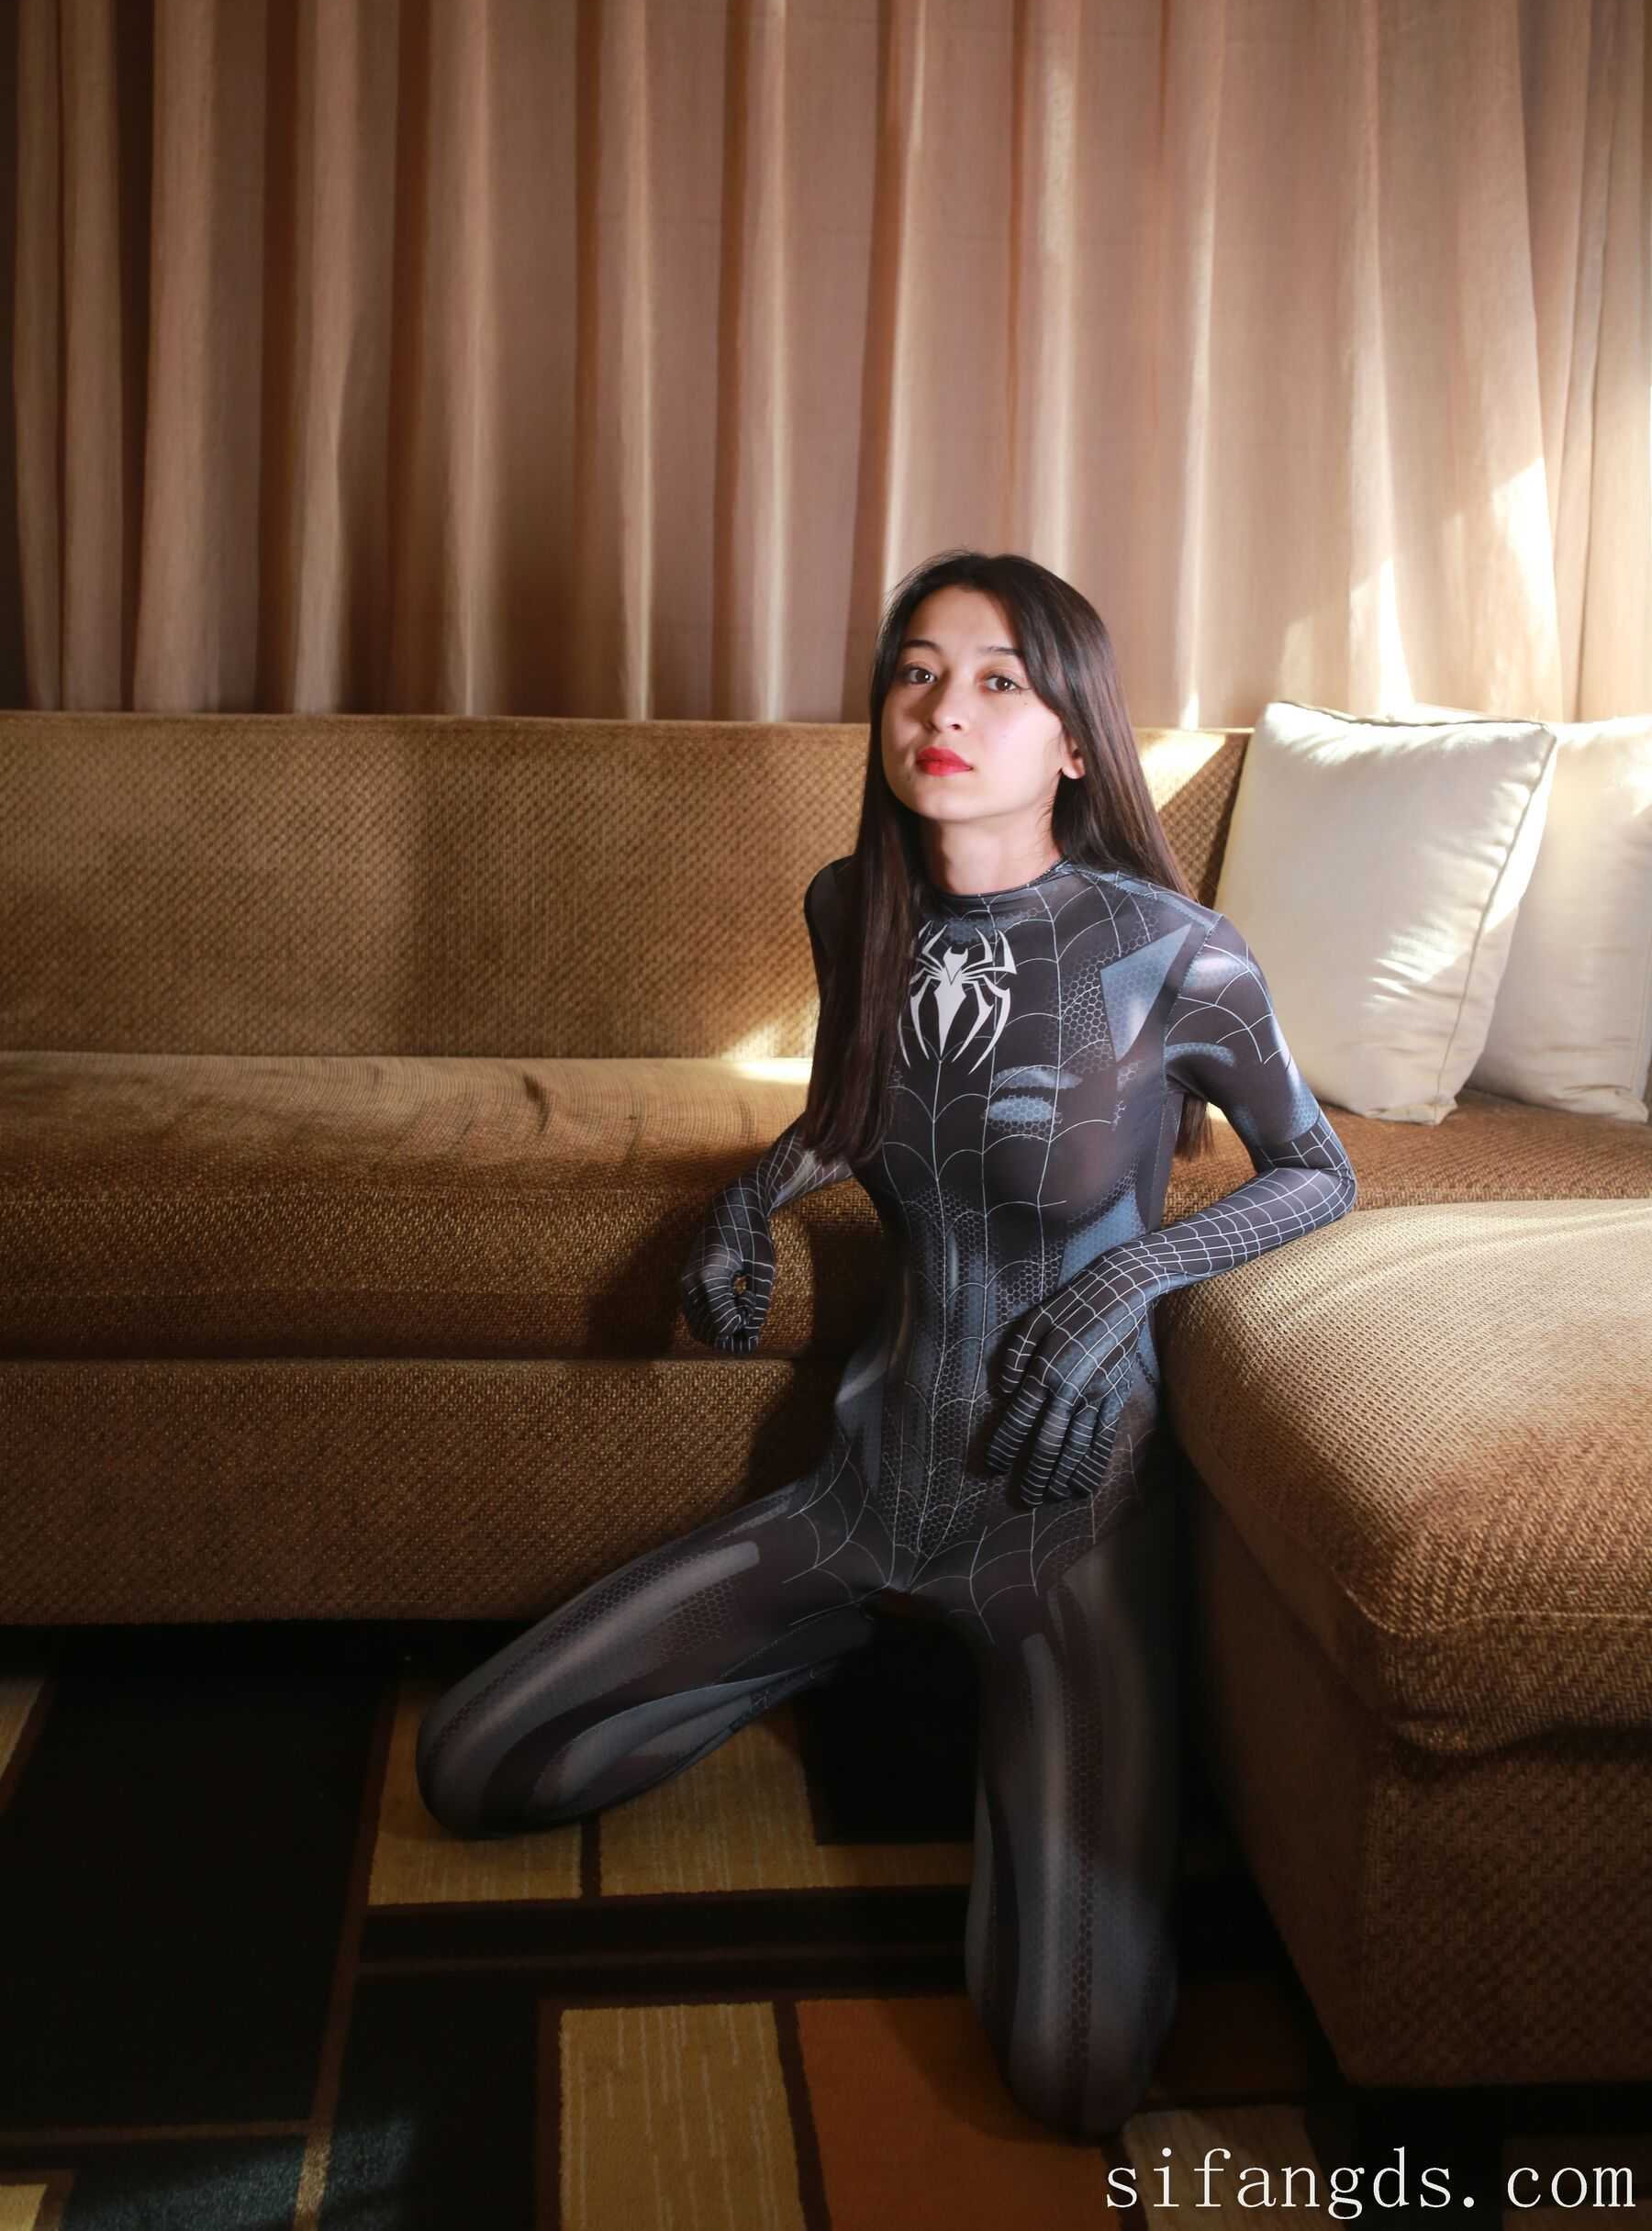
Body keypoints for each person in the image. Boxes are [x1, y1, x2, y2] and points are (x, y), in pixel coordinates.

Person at [415, 550, 1357, 2137]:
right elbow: (854, 1109)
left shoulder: (1175, 950)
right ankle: (851, 1637)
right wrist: (747, 1201)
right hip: (868, 1485)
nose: (943, 710)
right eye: (916, 672)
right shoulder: (852, 905)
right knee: (478, 1762)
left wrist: (1125, 1285)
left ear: (1076, 739)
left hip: (1064, 1519)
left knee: (1071, 2077)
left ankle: (1006, 1691)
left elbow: (1318, 1172)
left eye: (998, 681)